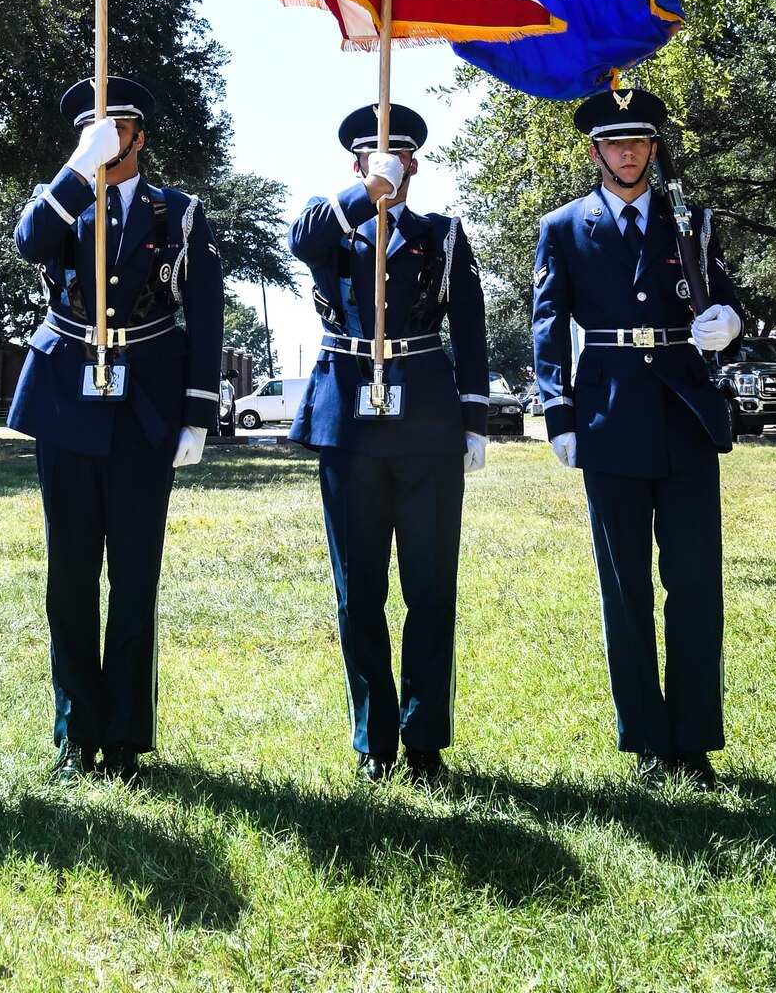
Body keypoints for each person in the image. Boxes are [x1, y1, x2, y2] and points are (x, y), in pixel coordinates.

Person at [8, 76, 224, 784]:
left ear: (139, 136)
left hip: (146, 403)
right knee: (69, 574)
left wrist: (197, 411)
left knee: (133, 573)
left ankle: (126, 733)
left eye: (116, 125)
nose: (105, 136)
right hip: (67, 396)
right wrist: (76, 169)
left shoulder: (179, 213)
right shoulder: (62, 199)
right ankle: (76, 732)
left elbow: (205, 314)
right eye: (90, 127)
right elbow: (28, 243)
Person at [533, 84, 741, 790]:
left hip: (683, 410)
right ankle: (647, 740)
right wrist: (558, 414)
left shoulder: (694, 220)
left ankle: (693, 742)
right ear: (594, 151)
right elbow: (546, 324)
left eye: (638, 141)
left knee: (693, 583)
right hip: (608, 412)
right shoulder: (562, 227)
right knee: (624, 588)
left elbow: (723, 298)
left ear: (653, 147)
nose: (626, 153)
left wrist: (729, 327)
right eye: (613, 143)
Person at [288, 103, 489, 784]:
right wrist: (361, 195)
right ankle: (373, 739)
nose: (389, 167)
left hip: (427, 419)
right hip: (347, 419)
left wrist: (471, 421)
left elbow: (469, 330)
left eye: (399, 158)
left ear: (415, 164)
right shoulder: (333, 225)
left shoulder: (443, 235)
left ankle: (423, 737)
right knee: (358, 591)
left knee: (431, 588)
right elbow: (300, 240)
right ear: (355, 163)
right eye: (376, 157)